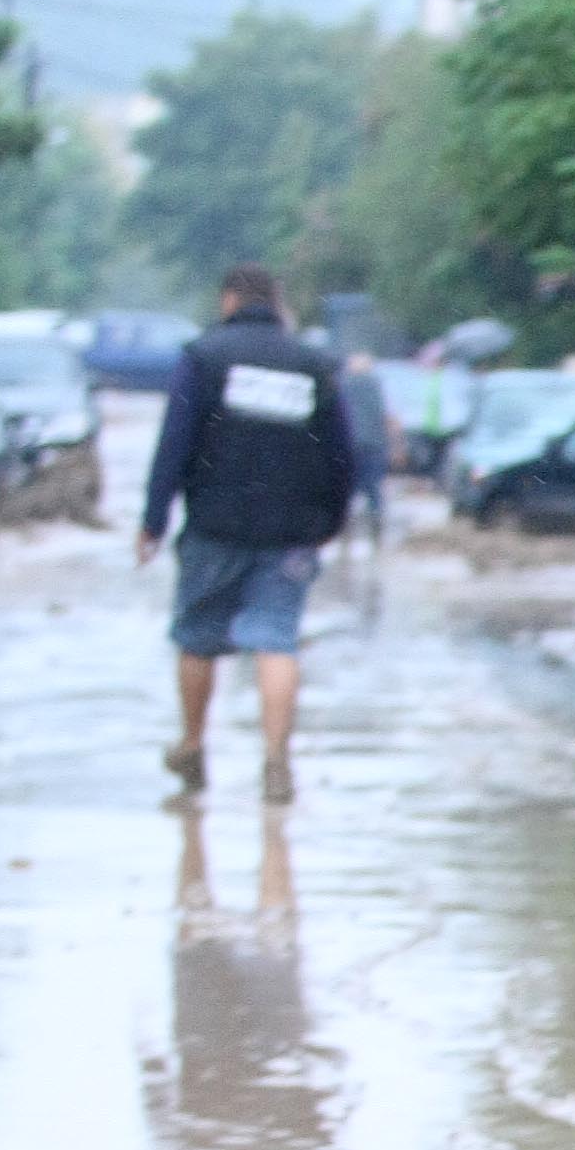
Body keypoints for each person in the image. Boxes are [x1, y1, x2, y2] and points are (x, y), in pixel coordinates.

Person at [138, 264, 354, 804]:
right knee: (277, 640)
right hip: (290, 534)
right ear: (277, 302)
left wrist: (154, 520)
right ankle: (277, 762)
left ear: (228, 300)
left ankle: (192, 747)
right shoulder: (313, 364)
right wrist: (330, 521)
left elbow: (175, 442)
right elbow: (342, 453)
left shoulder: (204, 357)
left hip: (214, 527)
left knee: (196, 639)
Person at [338, 351, 400, 557]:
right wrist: (396, 446)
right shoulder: (376, 385)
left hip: (348, 445)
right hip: (374, 445)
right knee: (374, 490)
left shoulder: (343, 384)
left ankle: (345, 539)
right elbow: (388, 416)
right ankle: (377, 540)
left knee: (347, 491)